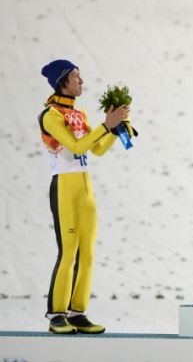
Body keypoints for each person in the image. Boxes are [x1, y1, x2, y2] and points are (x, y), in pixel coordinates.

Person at [38, 59, 130, 334]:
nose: (82, 81)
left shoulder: (79, 114)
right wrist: (105, 125)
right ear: (62, 80)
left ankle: (78, 312)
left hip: (85, 186)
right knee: (68, 253)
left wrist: (115, 129)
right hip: (65, 187)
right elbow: (76, 145)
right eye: (76, 77)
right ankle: (56, 314)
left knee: (87, 253)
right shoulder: (50, 115)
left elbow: (96, 149)